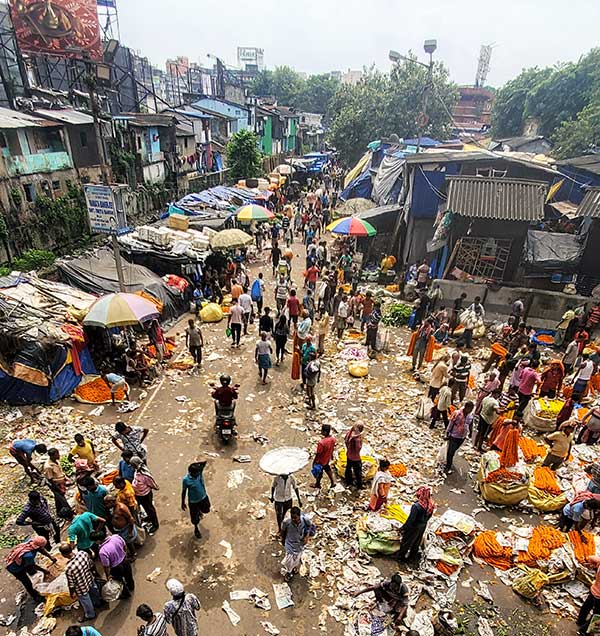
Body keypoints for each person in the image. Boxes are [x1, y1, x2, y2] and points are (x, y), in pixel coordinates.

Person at [60, 542, 103, 621]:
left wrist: (72, 593)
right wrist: (96, 573)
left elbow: (71, 584)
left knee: (86, 601)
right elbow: (91, 564)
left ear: (63, 555)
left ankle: (90, 615)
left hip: (81, 587)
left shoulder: (69, 568)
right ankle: (98, 603)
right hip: (89, 578)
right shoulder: (82, 553)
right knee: (94, 591)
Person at [5, 536, 56, 603]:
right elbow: (32, 565)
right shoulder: (28, 555)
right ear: (37, 546)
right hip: (15, 568)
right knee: (27, 582)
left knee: (32, 571)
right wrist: (44, 571)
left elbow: (41, 550)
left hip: (22, 560)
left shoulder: (31, 542)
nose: (42, 548)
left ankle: (33, 574)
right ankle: (35, 596)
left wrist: (50, 557)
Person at [398, 487, 435, 562]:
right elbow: (430, 516)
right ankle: (412, 557)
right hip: (423, 526)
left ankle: (401, 557)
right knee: (416, 541)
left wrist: (403, 528)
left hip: (414, 526)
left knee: (407, 541)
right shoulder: (431, 504)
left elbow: (411, 520)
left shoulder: (417, 506)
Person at [97, 529, 134, 599]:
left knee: (120, 582)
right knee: (129, 576)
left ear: (98, 541)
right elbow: (125, 546)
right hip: (125, 561)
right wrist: (124, 555)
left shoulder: (102, 551)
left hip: (116, 567)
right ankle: (131, 587)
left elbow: (106, 566)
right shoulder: (116, 537)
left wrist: (108, 575)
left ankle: (126, 594)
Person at [280, 506, 312, 581]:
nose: (293, 519)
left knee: (297, 558)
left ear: (299, 515)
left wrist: (306, 536)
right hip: (290, 543)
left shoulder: (305, 520)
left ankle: (294, 567)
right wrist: (283, 540)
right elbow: (283, 531)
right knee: (289, 560)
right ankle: (288, 572)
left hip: (299, 543)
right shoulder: (286, 522)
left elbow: (310, 526)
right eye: (292, 517)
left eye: (295, 517)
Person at [130, 456, 159, 533]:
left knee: (150, 508)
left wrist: (155, 487)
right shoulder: (137, 471)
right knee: (145, 507)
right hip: (139, 494)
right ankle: (149, 517)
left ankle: (155, 524)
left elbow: (152, 483)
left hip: (145, 494)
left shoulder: (145, 474)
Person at [181, 461, 210, 539]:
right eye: (196, 473)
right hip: (193, 502)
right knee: (194, 519)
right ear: (190, 472)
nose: (197, 475)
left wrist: (197, 464)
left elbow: (204, 463)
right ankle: (196, 529)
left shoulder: (199, 473)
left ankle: (199, 511)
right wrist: (182, 502)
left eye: (198, 473)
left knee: (206, 510)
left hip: (203, 497)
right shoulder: (186, 480)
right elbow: (184, 491)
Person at [445, 401, 474, 473]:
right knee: (450, 452)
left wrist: (470, 432)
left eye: (471, 409)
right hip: (454, 435)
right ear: (466, 407)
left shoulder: (470, 416)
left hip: (462, 437)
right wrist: (447, 433)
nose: (470, 410)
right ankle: (448, 466)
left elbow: (471, 424)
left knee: (454, 450)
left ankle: (449, 461)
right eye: (470, 409)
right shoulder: (457, 413)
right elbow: (451, 423)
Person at [43, 448, 73, 518]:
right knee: (62, 499)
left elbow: (60, 471)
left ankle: (59, 511)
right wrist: (59, 490)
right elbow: (50, 480)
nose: (59, 455)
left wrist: (65, 478)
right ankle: (69, 513)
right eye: (57, 454)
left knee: (58, 499)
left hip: (61, 482)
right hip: (56, 485)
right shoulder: (48, 467)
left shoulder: (56, 461)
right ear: (52, 456)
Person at [577, 555, 600, 635]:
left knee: (586, 606)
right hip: (599, 596)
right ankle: (584, 631)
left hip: (594, 590)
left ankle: (580, 621)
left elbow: (591, 558)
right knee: (597, 615)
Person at [312, 424, 336, 489]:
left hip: (321, 461)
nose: (321, 432)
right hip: (327, 458)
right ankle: (332, 482)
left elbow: (318, 454)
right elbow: (332, 448)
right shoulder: (333, 439)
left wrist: (314, 462)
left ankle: (317, 484)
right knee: (327, 468)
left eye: (322, 430)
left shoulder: (322, 443)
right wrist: (331, 456)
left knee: (319, 473)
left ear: (325, 432)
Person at [344, 423, 364, 488]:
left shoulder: (349, 434)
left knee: (348, 468)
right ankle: (359, 485)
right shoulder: (357, 439)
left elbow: (346, 441)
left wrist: (348, 449)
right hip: (355, 458)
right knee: (358, 471)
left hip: (349, 455)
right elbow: (358, 448)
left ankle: (348, 481)